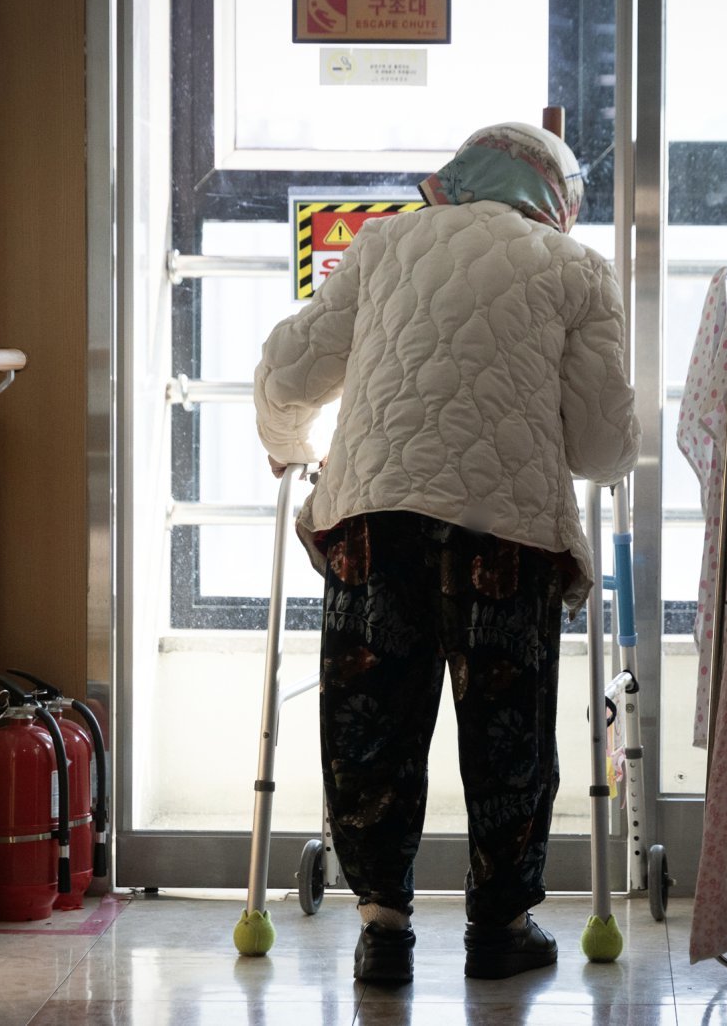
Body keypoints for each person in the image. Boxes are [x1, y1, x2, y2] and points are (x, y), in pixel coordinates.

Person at [254, 121, 640, 984]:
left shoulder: (386, 241)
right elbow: (602, 447)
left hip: (373, 518)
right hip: (506, 533)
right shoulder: (578, 270)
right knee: (507, 726)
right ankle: (501, 927)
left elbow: (289, 369)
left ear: (460, 177)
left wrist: (289, 442)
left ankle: (383, 928)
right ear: (557, 201)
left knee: (372, 717)